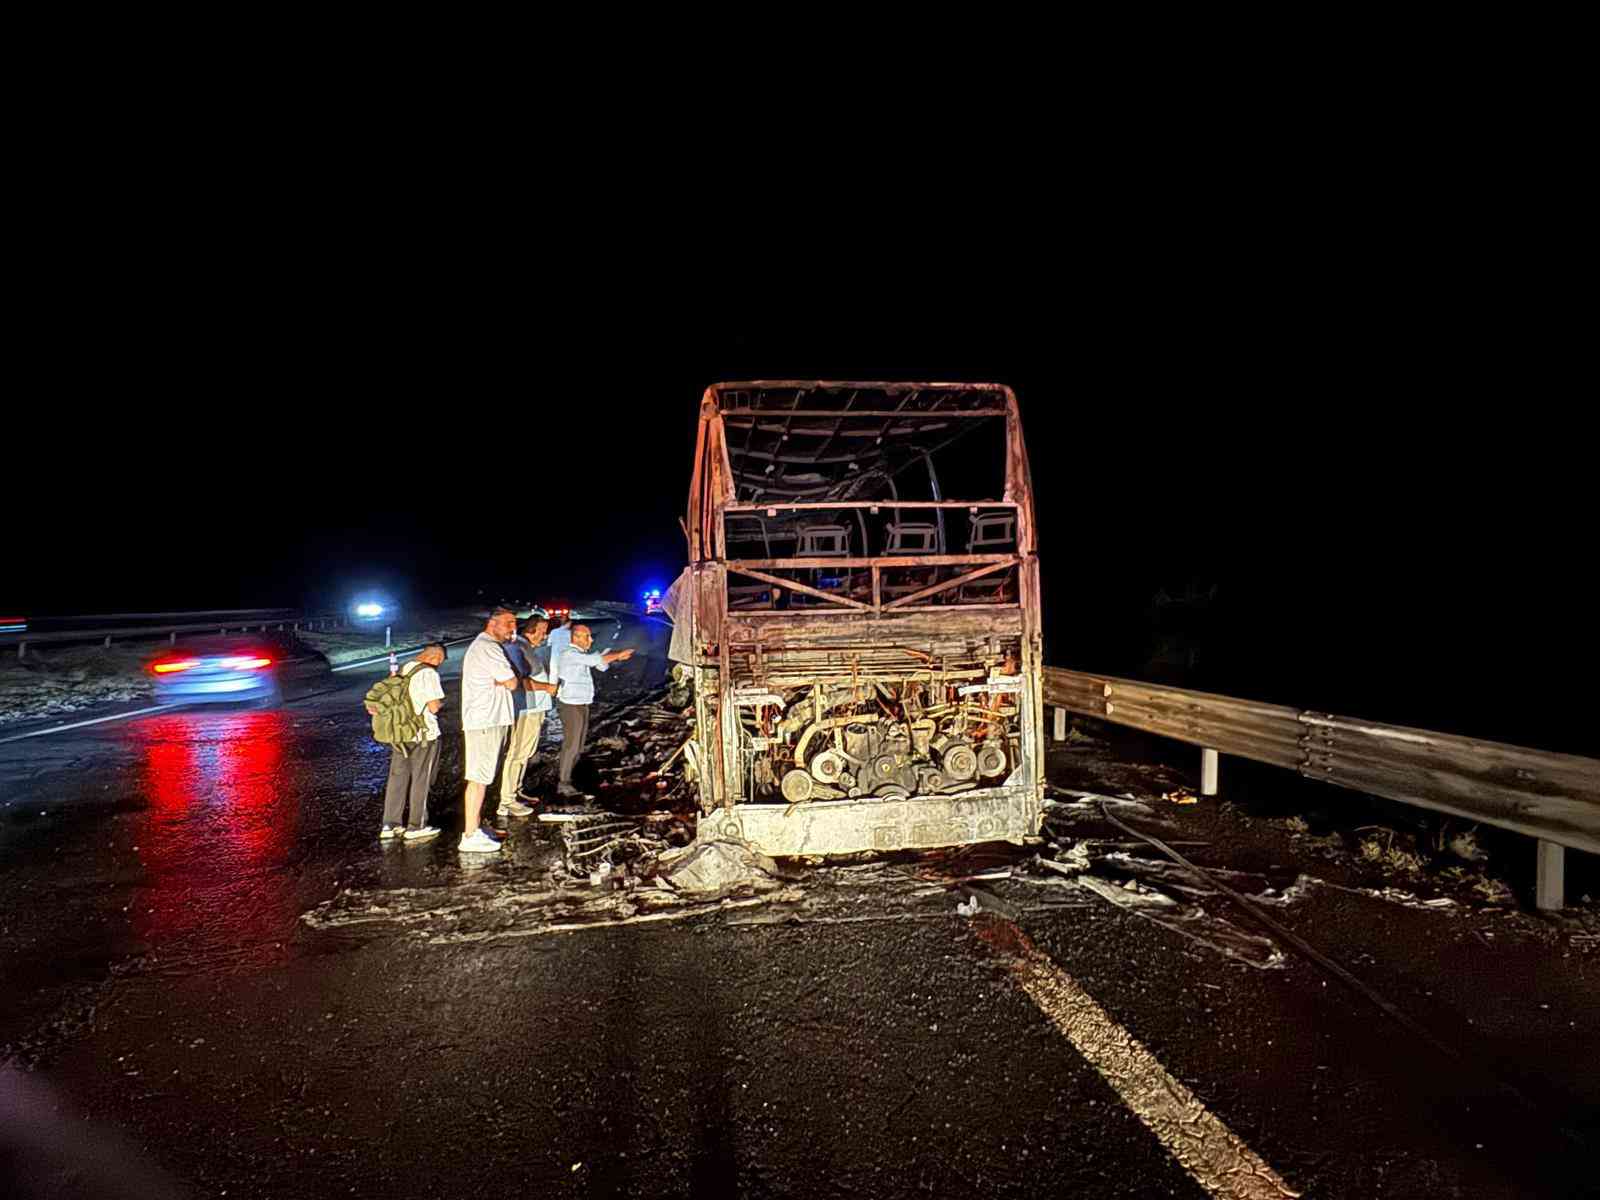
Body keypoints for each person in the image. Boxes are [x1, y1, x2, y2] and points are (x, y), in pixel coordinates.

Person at [369, 643, 448, 843]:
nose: (439, 664)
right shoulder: (429, 673)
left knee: (397, 778)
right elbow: (434, 707)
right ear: (435, 657)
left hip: (400, 733)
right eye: (440, 660)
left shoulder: (404, 669)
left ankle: (390, 824)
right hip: (423, 734)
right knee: (421, 779)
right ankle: (416, 825)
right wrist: (441, 703)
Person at [458, 607, 522, 853]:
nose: (512, 629)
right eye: (508, 623)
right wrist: (505, 680)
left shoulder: (488, 647)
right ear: (492, 623)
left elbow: (508, 680)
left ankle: (475, 827)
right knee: (478, 778)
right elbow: (513, 682)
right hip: (485, 721)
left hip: (491, 720)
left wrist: (505, 680)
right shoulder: (488, 647)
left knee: (483, 777)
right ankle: (470, 835)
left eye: (513, 624)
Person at [553, 623, 634, 800]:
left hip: (581, 703)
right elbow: (596, 661)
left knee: (579, 745)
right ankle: (563, 783)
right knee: (571, 745)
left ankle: (569, 778)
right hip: (570, 703)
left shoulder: (580, 654)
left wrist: (611, 656)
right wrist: (617, 655)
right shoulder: (570, 654)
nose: (591, 640)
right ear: (576, 638)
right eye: (587, 636)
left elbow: (601, 665)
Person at [499, 617, 558, 815]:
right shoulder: (518, 647)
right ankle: (506, 801)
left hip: (535, 708)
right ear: (531, 629)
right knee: (517, 753)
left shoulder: (527, 647)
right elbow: (520, 680)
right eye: (542, 630)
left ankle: (516, 790)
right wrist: (546, 687)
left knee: (526, 752)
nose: (545, 635)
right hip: (525, 708)